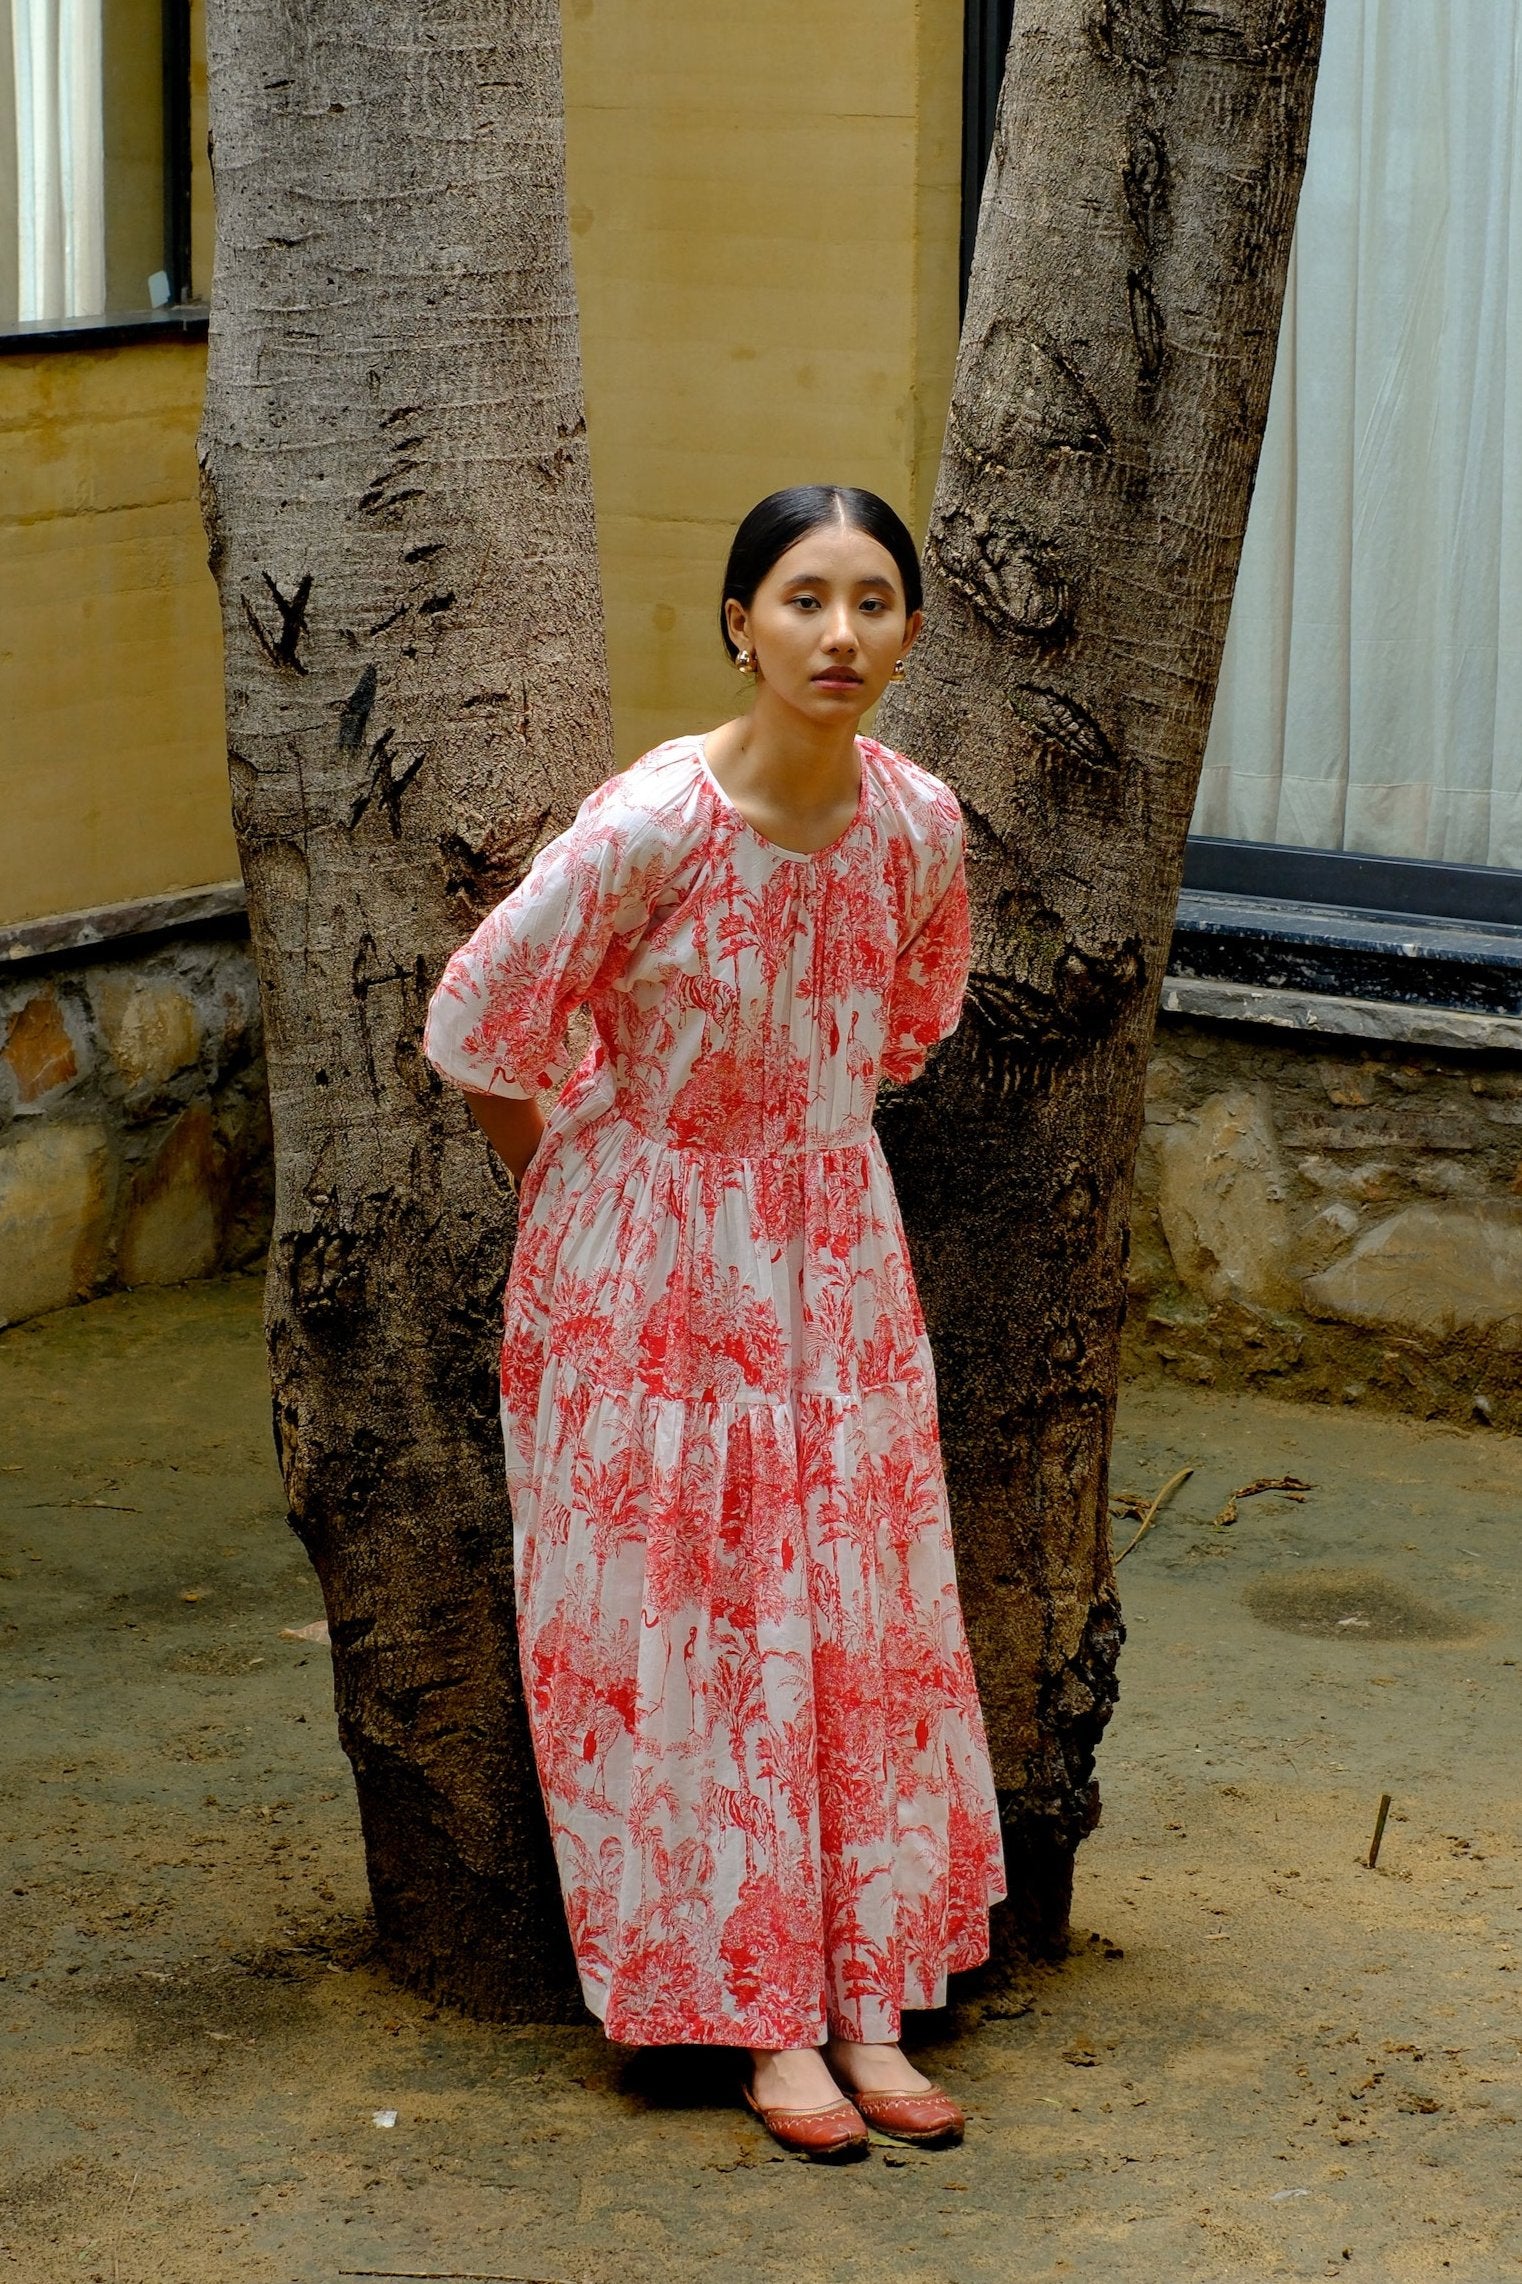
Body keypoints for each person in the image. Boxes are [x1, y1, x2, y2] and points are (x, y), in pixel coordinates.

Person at [423, 484, 1006, 2162]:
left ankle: (872, 1998)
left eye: (875, 601)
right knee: (698, 1627)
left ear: (906, 627)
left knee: (858, 1612)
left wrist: (779, 1176)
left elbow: (899, 1031)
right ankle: (759, 2024)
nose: (842, 635)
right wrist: (589, 1194)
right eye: (804, 599)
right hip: (645, 1268)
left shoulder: (918, 827)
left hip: (834, 1248)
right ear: (736, 622)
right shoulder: (647, 825)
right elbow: (478, 1026)